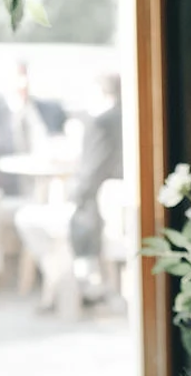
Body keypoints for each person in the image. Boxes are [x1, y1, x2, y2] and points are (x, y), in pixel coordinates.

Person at [0, 61, 66, 196]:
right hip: (8, 188)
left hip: (50, 187)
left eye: (26, 76)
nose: (23, 83)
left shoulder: (51, 111)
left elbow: (64, 145)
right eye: (19, 76)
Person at [68, 73, 123, 303]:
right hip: (117, 203)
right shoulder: (126, 117)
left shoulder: (101, 123)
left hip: (104, 206)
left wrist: (72, 196)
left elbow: (91, 173)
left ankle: (72, 289)